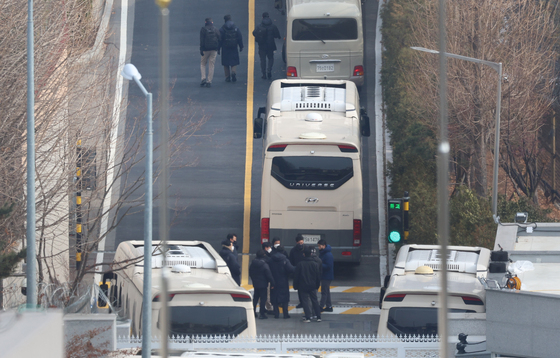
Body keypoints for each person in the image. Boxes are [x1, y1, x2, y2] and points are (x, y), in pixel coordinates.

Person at [293, 246, 322, 323]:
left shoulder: (300, 264)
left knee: (305, 301)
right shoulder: (315, 264)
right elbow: (318, 276)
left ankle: (308, 317)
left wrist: (295, 286)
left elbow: (296, 276)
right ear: (311, 254)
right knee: (315, 300)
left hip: (303, 286)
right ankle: (318, 316)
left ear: (304, 254)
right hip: (312, 285)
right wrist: (317, 285)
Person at [268, 244, 295, 318]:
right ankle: (285, 314)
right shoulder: (285, 260)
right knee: (285, 297)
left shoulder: (271, 259)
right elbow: (291, 269)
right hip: (283, 280)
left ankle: (276, 314)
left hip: (274, 280)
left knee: (274, 297)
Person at [252, 12, 281, 80]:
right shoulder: (273, 26)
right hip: (270, 45)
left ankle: (263, 73)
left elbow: (254, 33)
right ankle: (269, 70)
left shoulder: (259, 26)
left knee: (263, 60)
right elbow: (277, 35)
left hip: (262, 45)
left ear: (262, 17)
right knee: (270, 58)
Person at [249, 250, 275, 319]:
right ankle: (262, 313)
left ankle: (253, 312)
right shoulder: (264, 264)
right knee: (263, 299)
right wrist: (272, 283)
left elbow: (250, 273)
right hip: (263, 284)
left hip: (256, 283)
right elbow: (269, 275)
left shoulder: (253, 263)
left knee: (255, 298)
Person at [219, 15, 243, 83]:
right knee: (234, 61)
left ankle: (227, 77)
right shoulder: (235, 28)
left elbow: (219, 39)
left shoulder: (222, 28)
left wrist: (218, 48)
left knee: (225, 63)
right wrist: (241, 46)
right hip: (234, 47)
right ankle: (233, 72)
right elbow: (239, 37)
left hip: (225, 47)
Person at [200, 17, 221, 88]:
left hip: (205, 49)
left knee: (203, 63)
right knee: (211, 65)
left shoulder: (203, 29)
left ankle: (203, 78)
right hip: (214, 50)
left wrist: (201, 49)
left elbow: (202, 40)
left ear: (205, 22)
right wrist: (218, 49)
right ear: (212, 22)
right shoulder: (215, 29)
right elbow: (219, 39)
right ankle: (209, 81)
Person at [289, 234, 306, 308]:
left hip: (305, 270)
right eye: (299, 243)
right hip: (297, 271)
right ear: (296, 242)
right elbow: (291, 261)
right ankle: (301, 302)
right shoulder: (293, 250)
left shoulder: (306, 249)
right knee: (299, 288)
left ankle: (305, 301)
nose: (300, 245)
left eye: (302, 243)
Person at [317, 239, 334, 312]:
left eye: (319, 246)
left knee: (324, 292)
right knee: (326, 291)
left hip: (326, 276)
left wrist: (319, 264)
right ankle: (329, 306)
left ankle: (321, 306)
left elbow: (328, 266)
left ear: (323, 246)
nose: (318, 247)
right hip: (325, 275)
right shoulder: (324, 253)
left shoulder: (327, 255)